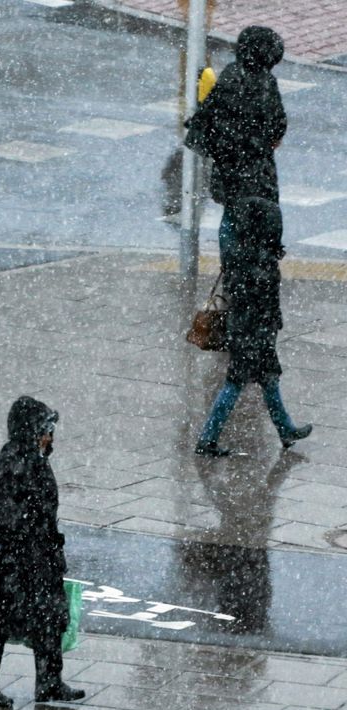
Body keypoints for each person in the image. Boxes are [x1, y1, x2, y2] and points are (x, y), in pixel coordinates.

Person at [0, 396, 84, 709]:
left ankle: (43, 682)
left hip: (11, 558)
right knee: (14, 620)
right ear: (34, 432)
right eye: (47, 429)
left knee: (35, 618)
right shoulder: (24, 465)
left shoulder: (22, 459)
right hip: (14, 561)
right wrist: (41, 557)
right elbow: (21, 521)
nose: (51, 437)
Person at [195, 197, 310, 456]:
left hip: (247, 329)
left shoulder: (241, 252)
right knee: (237, 383)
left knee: (268, 379)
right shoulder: (260, 259)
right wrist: (269, 324)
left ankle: (285, 429)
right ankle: (207, 438)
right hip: (254, 332)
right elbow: (263, 299)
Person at [184, 25, 286, 268]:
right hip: (255, 169)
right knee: (259, 216)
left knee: (231, 215)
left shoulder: (229, 75)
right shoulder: (264, 83)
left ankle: (230, 267)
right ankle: (253, 266)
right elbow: (277, 125)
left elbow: (210, 120)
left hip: (227, 166)